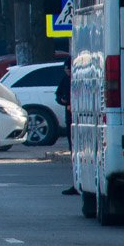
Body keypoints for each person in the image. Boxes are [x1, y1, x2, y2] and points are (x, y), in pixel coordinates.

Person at [57, 62, 76, 195]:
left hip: (77, 117)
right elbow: (58, 94)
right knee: (73, 150)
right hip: (70, 119)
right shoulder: (65, 80)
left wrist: (71, 103)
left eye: (68, 69)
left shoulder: (78, 80)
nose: (67, 72)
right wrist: (63, 101)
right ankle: (75, 181)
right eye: (66, 70)